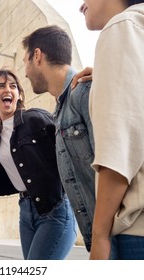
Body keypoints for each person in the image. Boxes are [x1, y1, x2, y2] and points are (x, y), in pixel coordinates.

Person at [0, 69, 76, 260]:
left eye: (13, 86)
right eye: (1, 86)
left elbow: (68, 149)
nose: (8, 89)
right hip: (25, 211)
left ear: (19, 95)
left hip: (54, 208)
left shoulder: (35, 118)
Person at [21, 25, 95, 252]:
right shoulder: (61, 108)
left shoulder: (85, 90)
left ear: (37, 56)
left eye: (25, 61)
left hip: (121, 234)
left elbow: (113, 169)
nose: (24, 72)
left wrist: (102, 236)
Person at [79, 0, 144, 260]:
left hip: (135, 234)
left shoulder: (121, 26)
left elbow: (120, 147)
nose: (81, 5)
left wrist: (100, 236)